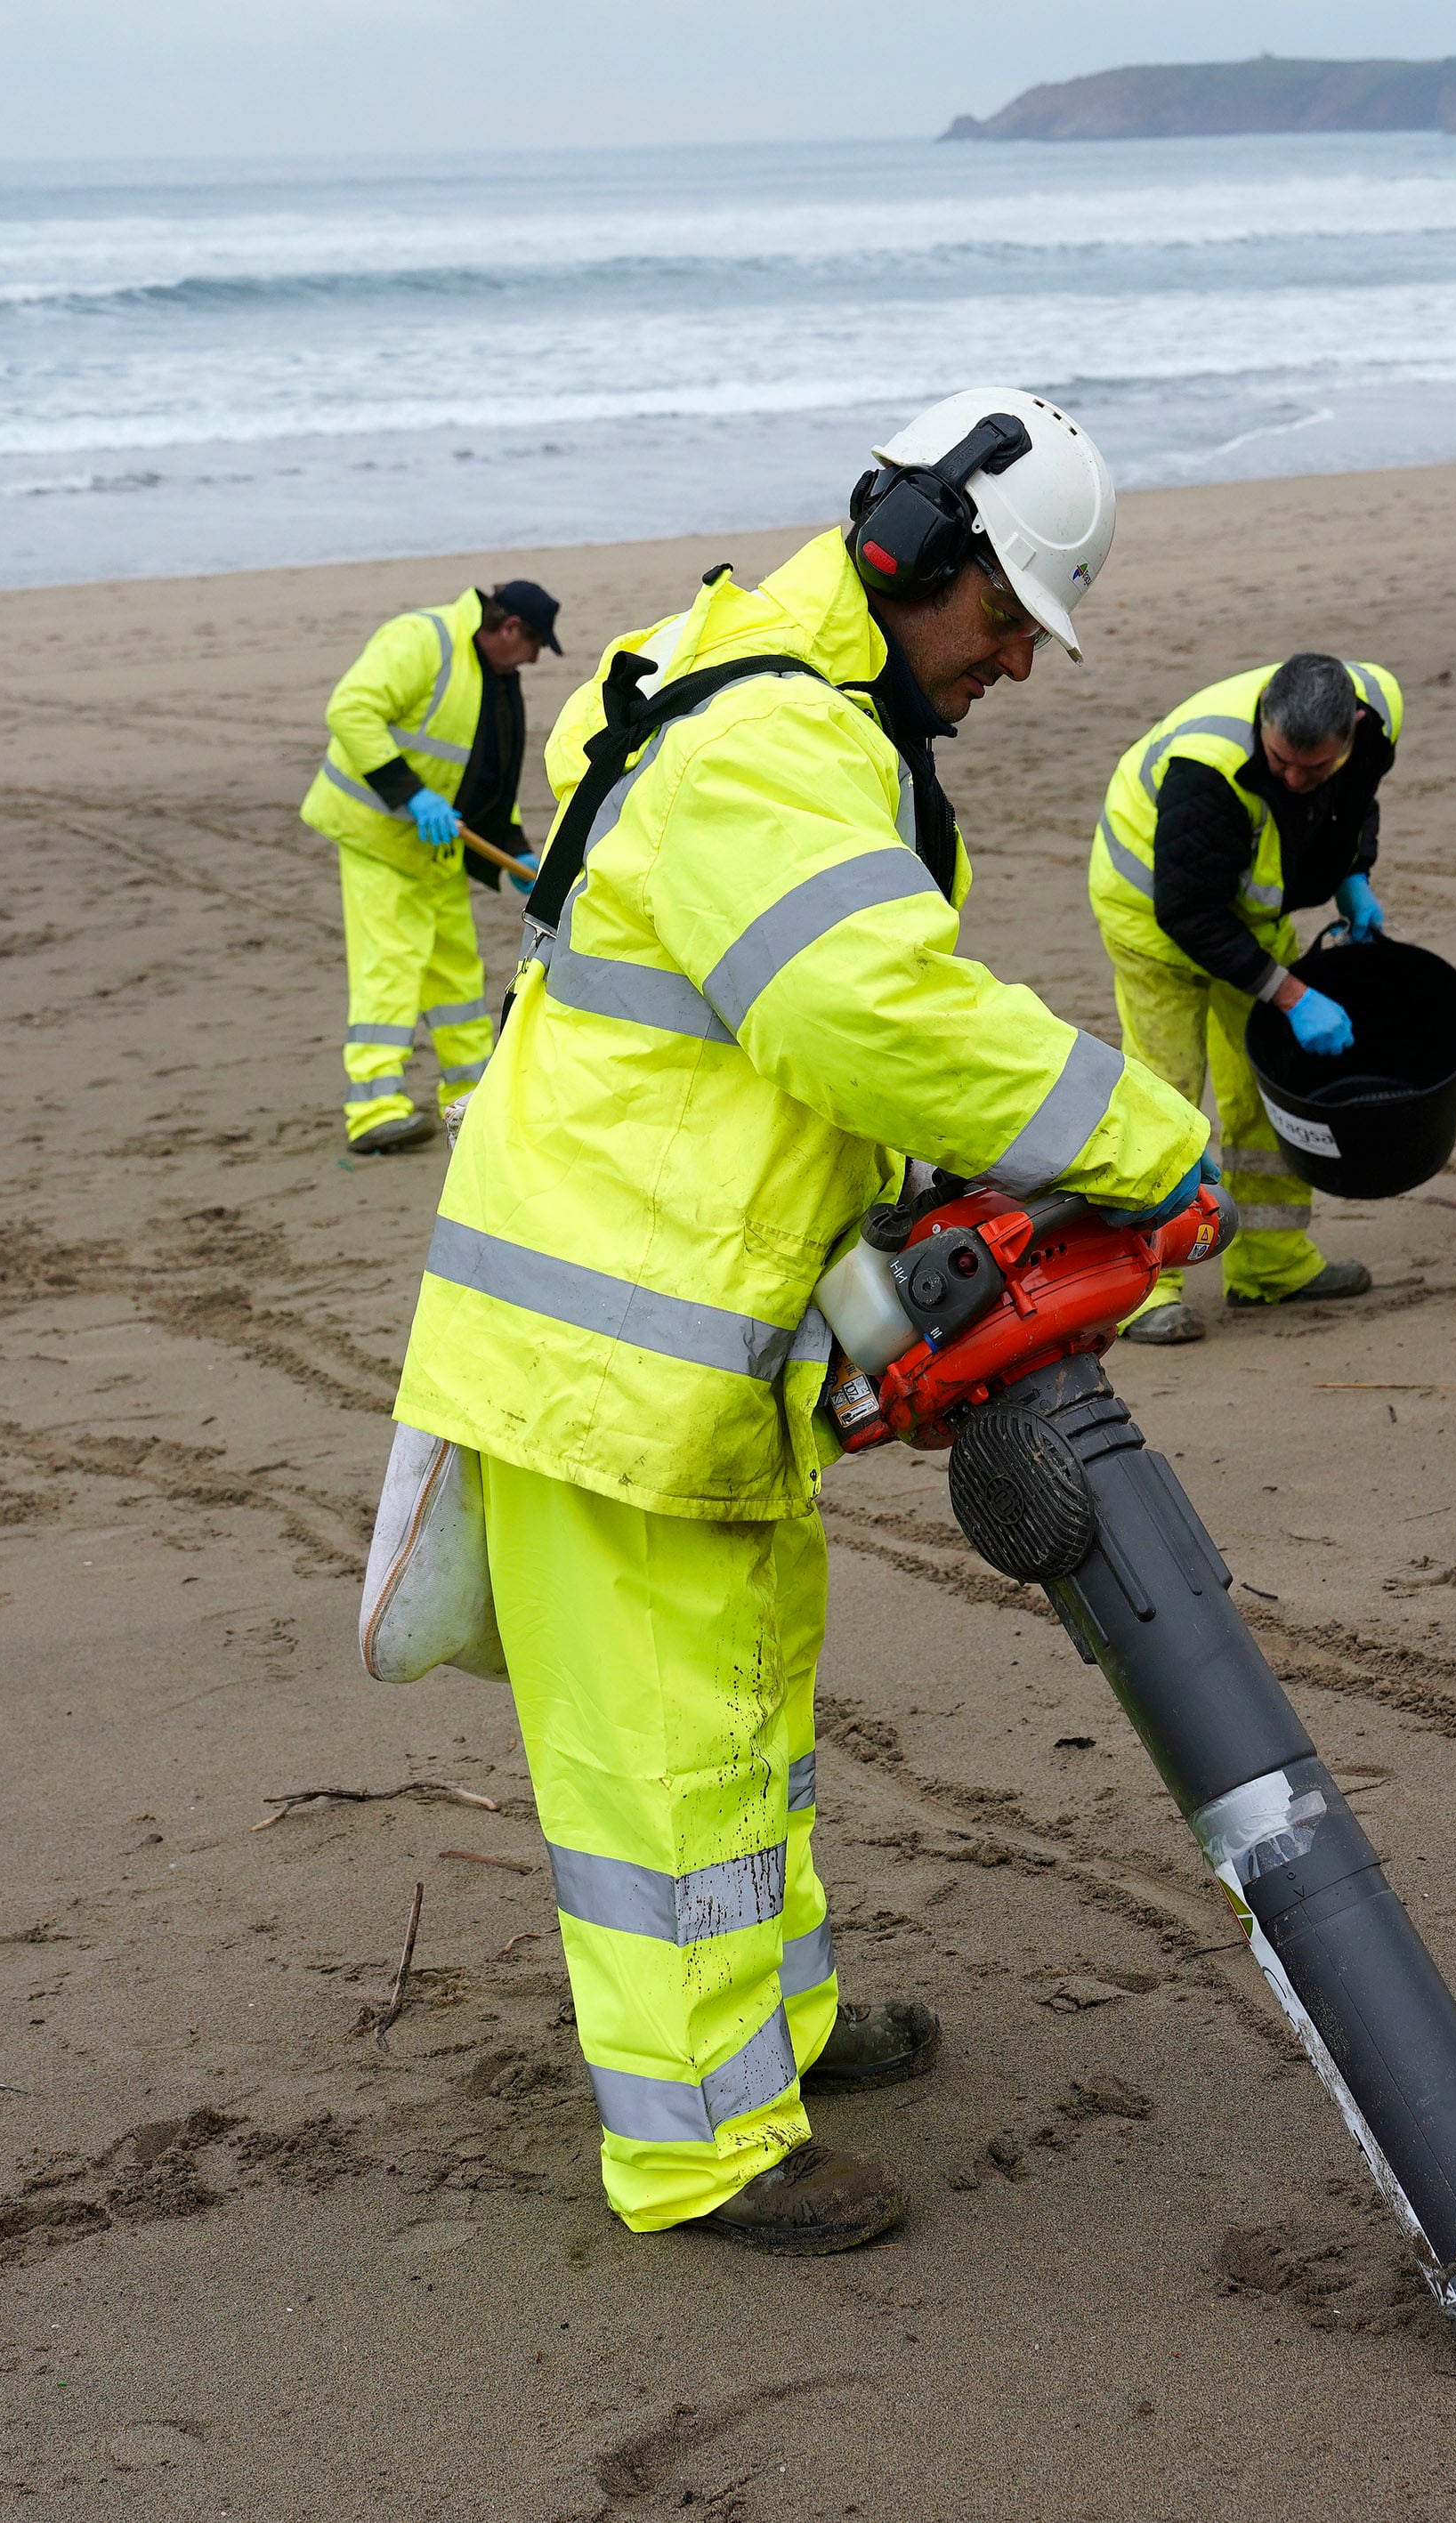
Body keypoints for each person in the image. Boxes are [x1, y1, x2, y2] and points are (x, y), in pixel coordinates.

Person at [387, 391, 1213, 2255]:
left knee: (746, 1703)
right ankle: (700, 2149)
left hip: (701, 1331)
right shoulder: (772, 736)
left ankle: (781, 2031)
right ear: (915, 553)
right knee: (662, 1755)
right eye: (1004, 621)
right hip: (613, 1350)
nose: (1013, 664)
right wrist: (1146, 1139)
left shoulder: (776, 684)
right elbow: (870, 1015)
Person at [1086, 652, 1405, 1341]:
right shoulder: (1207, 766)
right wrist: (1291, 995)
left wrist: (1355, 874)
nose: (1294, 779)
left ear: (1352, 730)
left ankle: (1272, 1265)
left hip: (1243, 912)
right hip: (1151, 912)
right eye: (1281, 761)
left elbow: (1353, 804)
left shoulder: (1381, 711)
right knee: (1164, 1096)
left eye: (1312, 768)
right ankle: (1146, 1286)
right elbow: (1189, 914)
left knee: (1266, 1086)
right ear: (1263, 719)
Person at [303, 579, 563, 1154]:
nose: (536, 658)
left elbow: (482, 777)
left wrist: (515, 847)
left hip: (437, 849)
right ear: (509, 628)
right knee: (391, 964)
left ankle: (472, 1096)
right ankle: (374, 1109)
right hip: (378, 836)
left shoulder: (494, 679)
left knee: (455, 974)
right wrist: (412, 796)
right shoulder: (423, 639)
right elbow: (350, 710)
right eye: (535, 643)